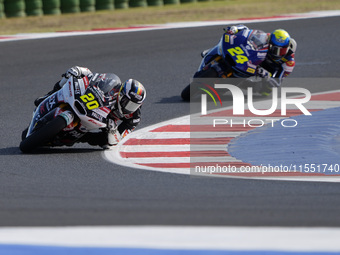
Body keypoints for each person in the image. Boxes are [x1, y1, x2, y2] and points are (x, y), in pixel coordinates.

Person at [34, 66, 146, 148]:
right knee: (70, 76)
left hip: (105, 121)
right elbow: (93, 76)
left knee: (105, 143)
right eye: (128, 102)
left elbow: (119, 139)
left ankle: (78, 138)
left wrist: (113, 130)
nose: (129, 107)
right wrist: (81, 71)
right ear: (121, 94)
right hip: (93, 104)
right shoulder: (113, 84)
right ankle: (47, 96)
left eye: (134, 105)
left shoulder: (134, 118)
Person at [225, 25, 297, 95]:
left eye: (282, 51)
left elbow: (277, 82)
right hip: (260, 59)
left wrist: (267, 76)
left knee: (266, 90)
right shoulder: (267, 37)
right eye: (275, 49)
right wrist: (236, 29)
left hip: (269, 72)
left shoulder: (289, 62)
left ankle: (241, 83)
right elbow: (247, 31)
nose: (278, 53)